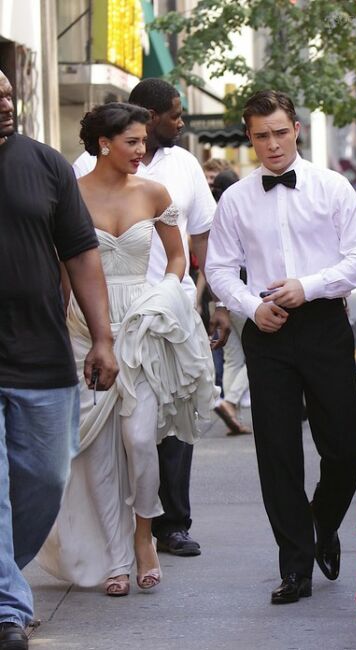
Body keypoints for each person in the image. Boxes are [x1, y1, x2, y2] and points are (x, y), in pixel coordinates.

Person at [206, 90, 356, 605]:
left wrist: (310, 284)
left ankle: (322, 521)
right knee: (277, 452)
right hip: (267, 330)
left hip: (324, 323)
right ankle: (295, 566)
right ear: (250, 137)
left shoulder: (332, 187)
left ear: (296, 129)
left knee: (345, 447)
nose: (273, 144)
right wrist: (248, 306)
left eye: (280, 132)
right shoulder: (236, 199)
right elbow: (219, 268)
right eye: (262, 136)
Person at [38, 102, 217, 596]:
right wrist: (57, 332)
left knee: (139, 442)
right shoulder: (69, 195)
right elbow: (63, 274)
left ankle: (144, 535)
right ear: (104, 144)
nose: (142, 150)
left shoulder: (153, 192)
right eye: (132, 141)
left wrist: (165, 294)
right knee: (96, 454)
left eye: (143, 141)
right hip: (84, 329)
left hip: (142, 327)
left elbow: (178, 256)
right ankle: (116, 557)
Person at [72, 78, 230, 558]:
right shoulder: (75, 180)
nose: (180, 123)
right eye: (174, 114)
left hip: (157, 316)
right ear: (106, 143)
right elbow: (65, 261)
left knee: (158, 429)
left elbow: (196, 241)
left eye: (143, 141)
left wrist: (202, 299)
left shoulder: (176, 173)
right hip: (90, 320)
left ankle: (165, 527)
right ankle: (115, 544)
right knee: (102, 443)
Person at [0, 70, 118, 650]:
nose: (5, 102)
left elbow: (81, 255)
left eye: (7, 92)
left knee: (45, 480)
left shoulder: (47, 165)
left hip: (41, 354)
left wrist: (103, 338)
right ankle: (7, 609)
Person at [211, 170, 252, 436]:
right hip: (243, 293)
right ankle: (231, 401)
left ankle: (232, 412)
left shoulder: (211, 214)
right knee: (255, 354)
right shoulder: (239, 211)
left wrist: (217, 304)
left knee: (233, 357)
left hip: (220, 296)